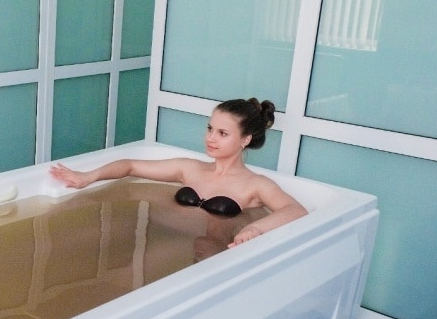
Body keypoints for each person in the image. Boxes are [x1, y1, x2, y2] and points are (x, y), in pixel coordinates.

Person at [49, 98, 307, 248]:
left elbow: (295, 210)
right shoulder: (189, 169)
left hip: (221, 251)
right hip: (170, 241)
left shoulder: (255, 185)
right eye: (210, 129)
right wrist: (87, 177)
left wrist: (255, 229)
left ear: (245, 139)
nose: (210, 138)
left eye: (222, 133)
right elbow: (130, 166)